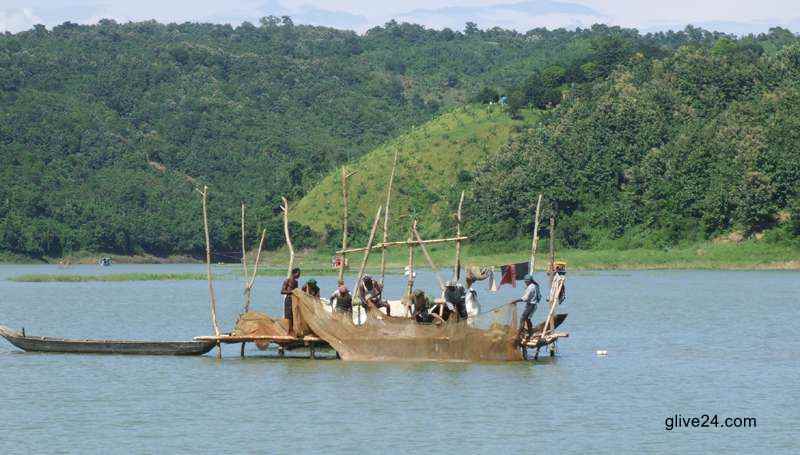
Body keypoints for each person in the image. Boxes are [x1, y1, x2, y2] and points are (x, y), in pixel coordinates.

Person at [515, 274, 541, 340]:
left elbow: (525, 298)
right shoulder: (535, 285)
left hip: (531, 305)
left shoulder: (531, 287)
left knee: (522, 319)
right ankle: (530, 333)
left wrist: (516, 300)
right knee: (527, 319)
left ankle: (518, 335)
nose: (525, 282)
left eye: (525, 281)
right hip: (533, 305)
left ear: (528, 281)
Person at [281, 267, 301, 333]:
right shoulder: (287, 281)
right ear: (294, 273)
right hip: (288, 300)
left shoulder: (296, 282)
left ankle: (292, 331)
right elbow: (282, 291)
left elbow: (297, 291)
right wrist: (292, 292)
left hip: (294, 300)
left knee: (293, 315)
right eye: (298, 273)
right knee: (288, 315)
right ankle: (287, 331)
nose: (299, 275)